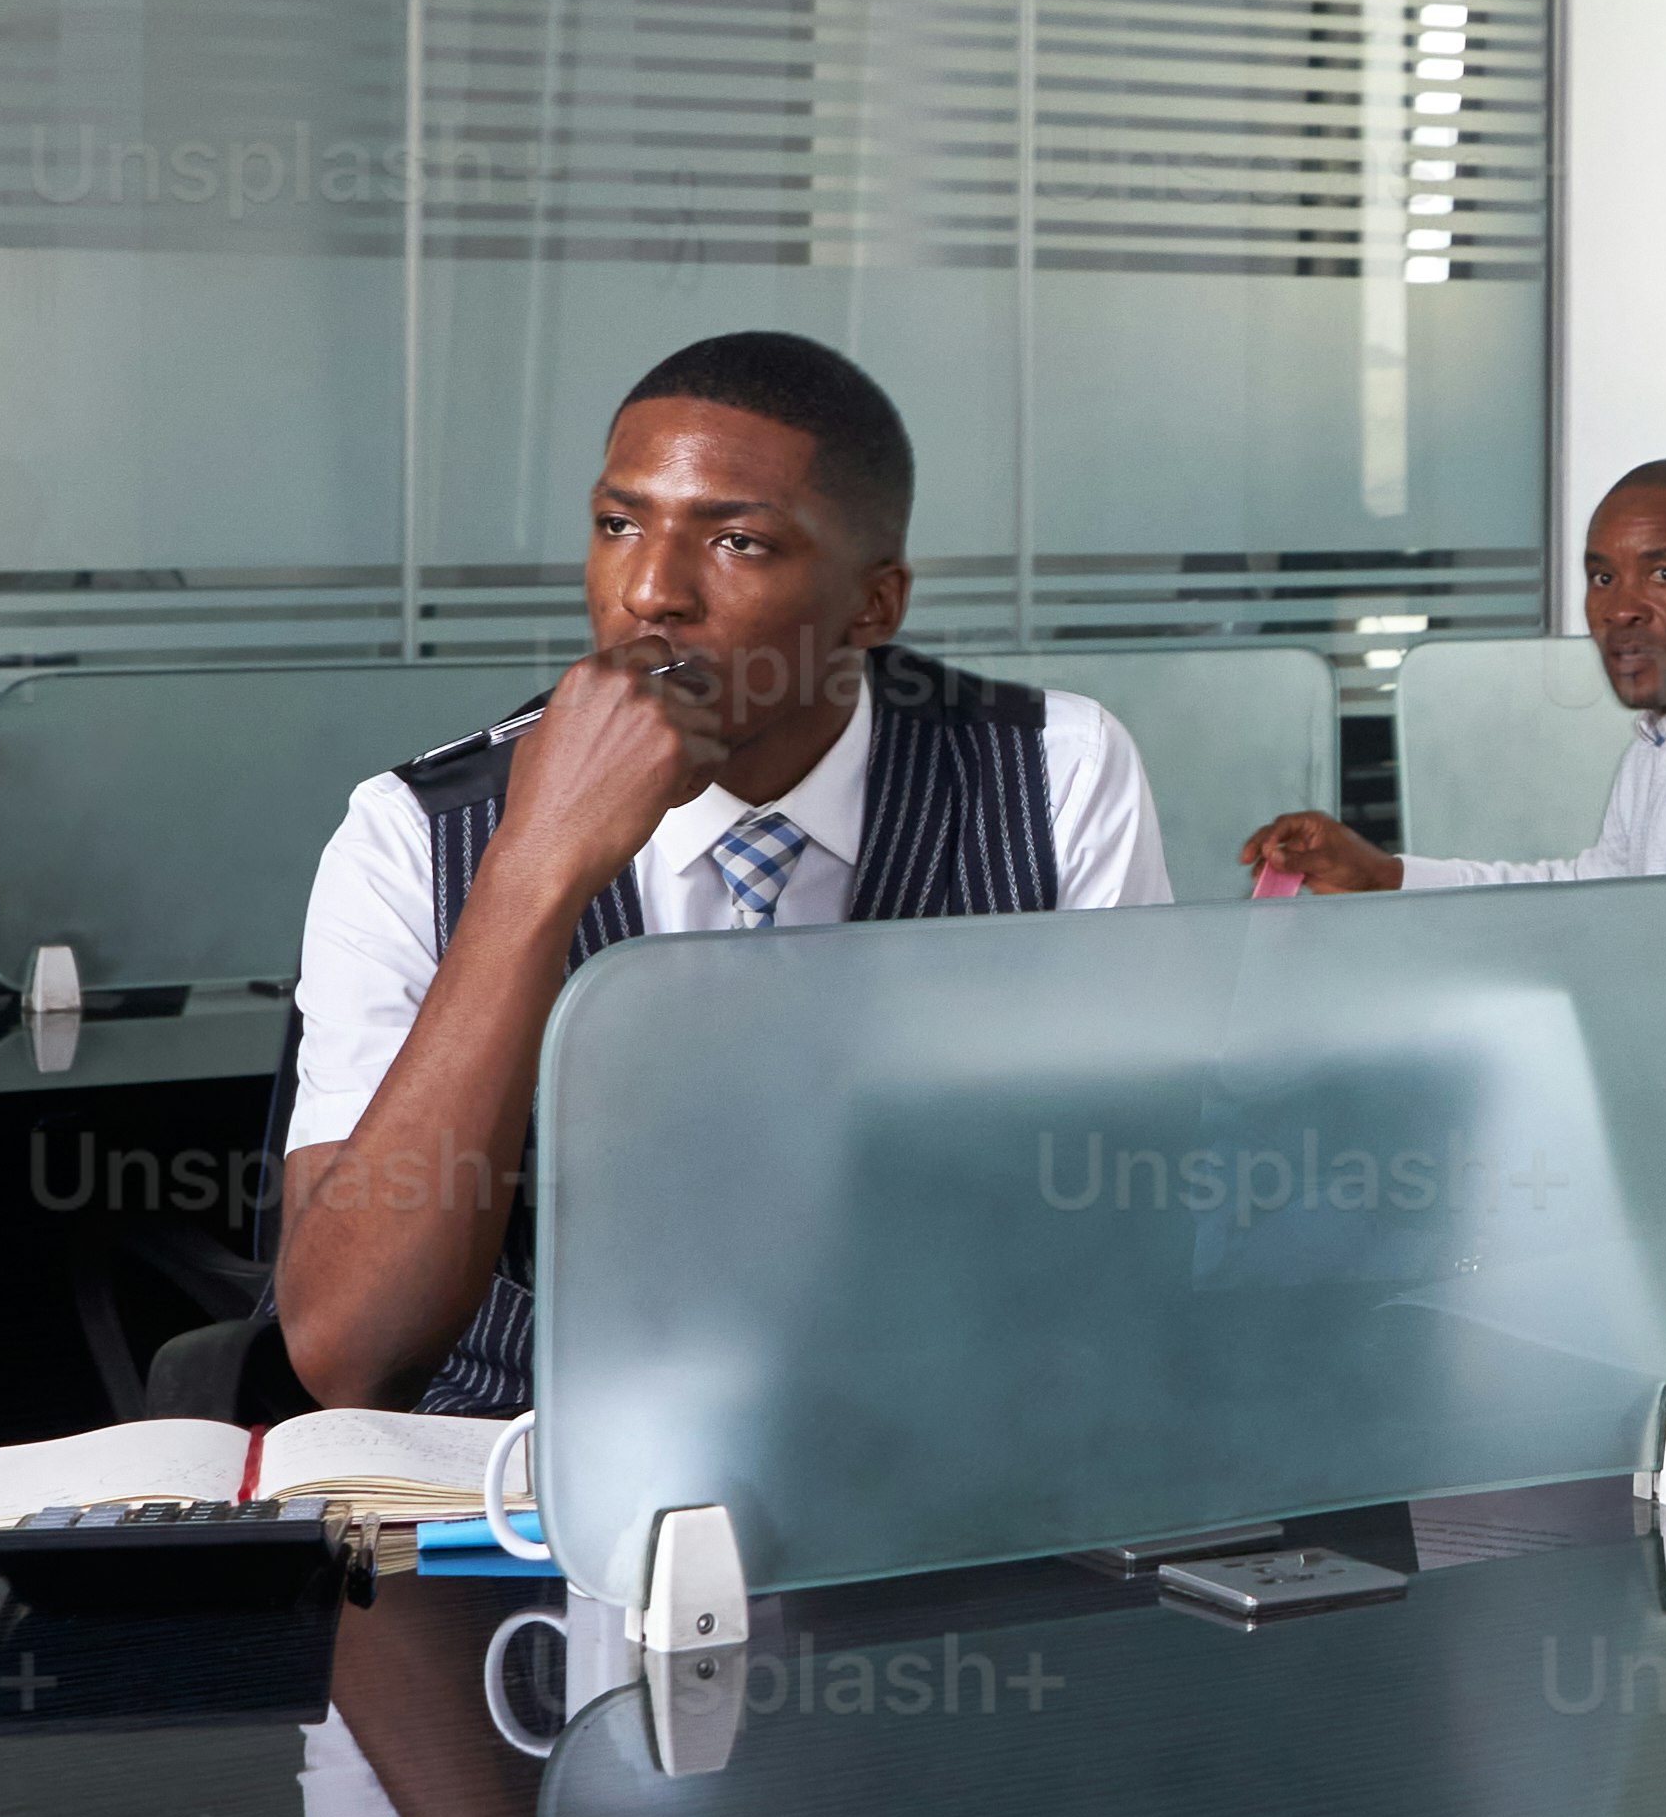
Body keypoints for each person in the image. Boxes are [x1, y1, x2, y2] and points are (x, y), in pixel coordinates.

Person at [273, 328, 1170, 1416]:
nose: (651, 591)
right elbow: (351, 1353)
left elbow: (1125, 1226)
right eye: (617, 525)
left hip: (946, 1450)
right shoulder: (411, 833)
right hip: (519, 1479)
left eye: (736, 543)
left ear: (873, 605)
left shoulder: (1049, 772)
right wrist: (533, 872)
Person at [1242, 455, 1666, 1088]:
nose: (1621, 608)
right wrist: (1385, 877)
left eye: (1664, 575)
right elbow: (1588, 897)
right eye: (1602, 577)